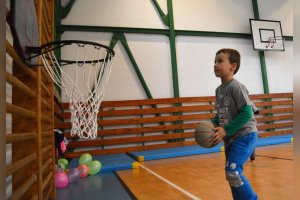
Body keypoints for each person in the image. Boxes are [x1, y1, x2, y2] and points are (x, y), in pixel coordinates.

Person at [211, 48, 258, 200]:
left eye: (220, 61)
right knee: (230, 175)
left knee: (233, 173)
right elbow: (221, 113)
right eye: (215, 61)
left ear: (233, 66)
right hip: (231, 138)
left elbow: (247, 113)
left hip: (245, 135)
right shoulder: (219, 90)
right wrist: (211, 126)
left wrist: (225, 130)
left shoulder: (236, 87)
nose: (215, 64)